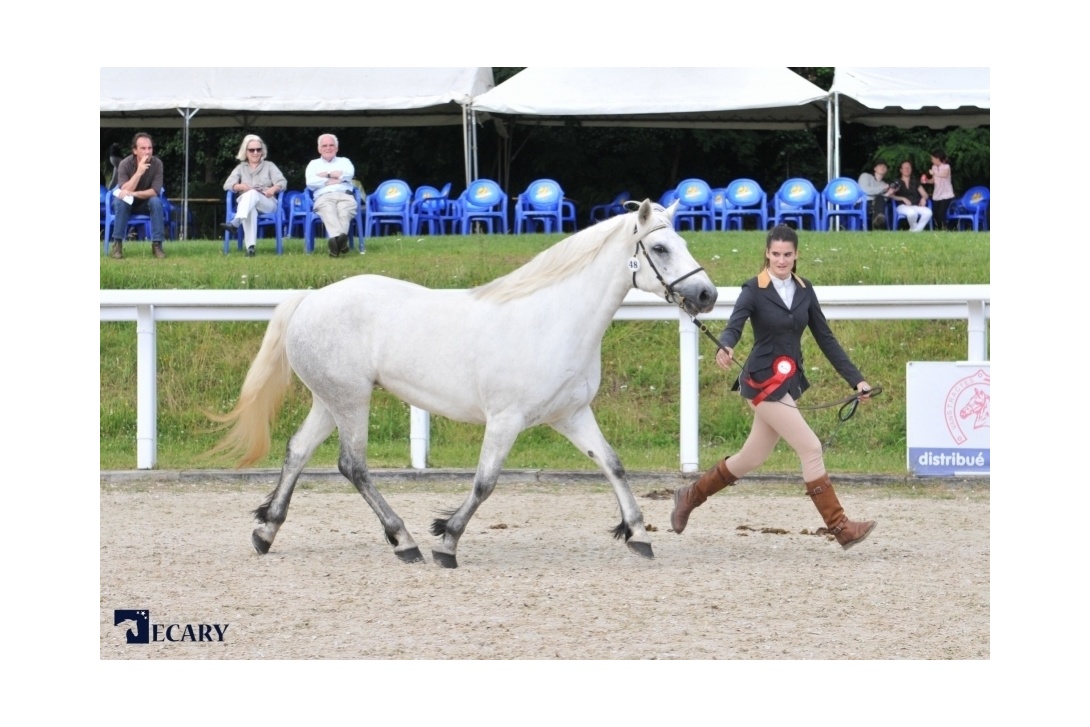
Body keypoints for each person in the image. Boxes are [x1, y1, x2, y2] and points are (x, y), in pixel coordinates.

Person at [670, 225, 877, 549]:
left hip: (788, 382)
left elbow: (826, 339)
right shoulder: (753, 289)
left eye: (788, 254)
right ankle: (841, 528)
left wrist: (857, 380)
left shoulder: (805, 290)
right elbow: (734, 326)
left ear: (796, 256)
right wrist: (725, 345)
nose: (781, 260)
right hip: (761, 382)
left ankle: (690, 495)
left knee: (750, 458)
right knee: (810, 447)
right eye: (776, 254)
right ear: (767, 253)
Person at [220, 134, 288, 257]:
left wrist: (273, 188)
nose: (255, 152)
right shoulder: (240, 168)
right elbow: (227, 185)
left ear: (262, 151)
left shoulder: (269, 165)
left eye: (258, 149)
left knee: (252, 193)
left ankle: (236, 222)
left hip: (266, 201)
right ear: (245, 151)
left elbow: (282, 182)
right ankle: (250, 248)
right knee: (251, 208)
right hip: (248, 204)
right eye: (252, 150)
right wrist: (241, 187)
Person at [108, 132, 166, 259]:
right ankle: (117, 245)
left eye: (150, 148)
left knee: (156, 201)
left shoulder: (157, 164)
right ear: (135, 150)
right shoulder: (125, 164)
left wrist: (133, 193)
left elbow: (155, 191)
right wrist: (139, 172)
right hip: (127, 202)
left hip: (145, 202)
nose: (148, 151)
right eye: (143, 148)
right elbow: (124, 190)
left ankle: (157, 245)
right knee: (120, 201)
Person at [305, 133, 357, 257]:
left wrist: (322, 176)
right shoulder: (313, 164)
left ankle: (335, 242)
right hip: (324, 196)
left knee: (344, 213)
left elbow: (349, 175)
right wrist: (331, 176)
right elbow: (310, 183)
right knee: (328, 211)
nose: (328, 148)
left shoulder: (345, 161)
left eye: (331, 145)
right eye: (324, 146)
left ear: (336, 148)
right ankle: (341, 242)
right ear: (319, 149)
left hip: (345, 195)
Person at [888, 160, 932, 232]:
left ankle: (914, 231)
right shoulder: (896, 182)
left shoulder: (915, 182)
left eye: (909, 167)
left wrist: (923, 198)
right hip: (902, 206)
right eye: (904, 168)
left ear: (911, 170)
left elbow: (925, 194)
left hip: (915, 205)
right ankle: (915, 231)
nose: (907, 169)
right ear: (901, 170)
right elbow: (890, 195)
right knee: (912, 213)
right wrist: (903, 198)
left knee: (928, 212)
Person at [922, 150, 955, 231]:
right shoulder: (934, 167)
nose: (931, 160)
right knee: (935, 214)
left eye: (932, 158)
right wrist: (926, 181)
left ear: (938, 158)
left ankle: (944, 230)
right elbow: (933, 180)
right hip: (937, 194)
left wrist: (933, 173)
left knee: (941, 214)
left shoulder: (946, 166)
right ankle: (939, 230)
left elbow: (944, 175)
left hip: (946, 194)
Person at [857, 160, 892, 230]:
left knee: (883, 201)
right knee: (879, 200)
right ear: (875, 168)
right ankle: (880, 225)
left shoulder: (884, 183)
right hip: (863, 203)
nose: (882, 167)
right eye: (880, 166)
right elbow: (864, 190)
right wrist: (883, 189)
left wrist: (888, 194)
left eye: (884, 167)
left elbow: (883, 199)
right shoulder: (865, 176)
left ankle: (879, 221)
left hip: (878, 205)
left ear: (887, 170)